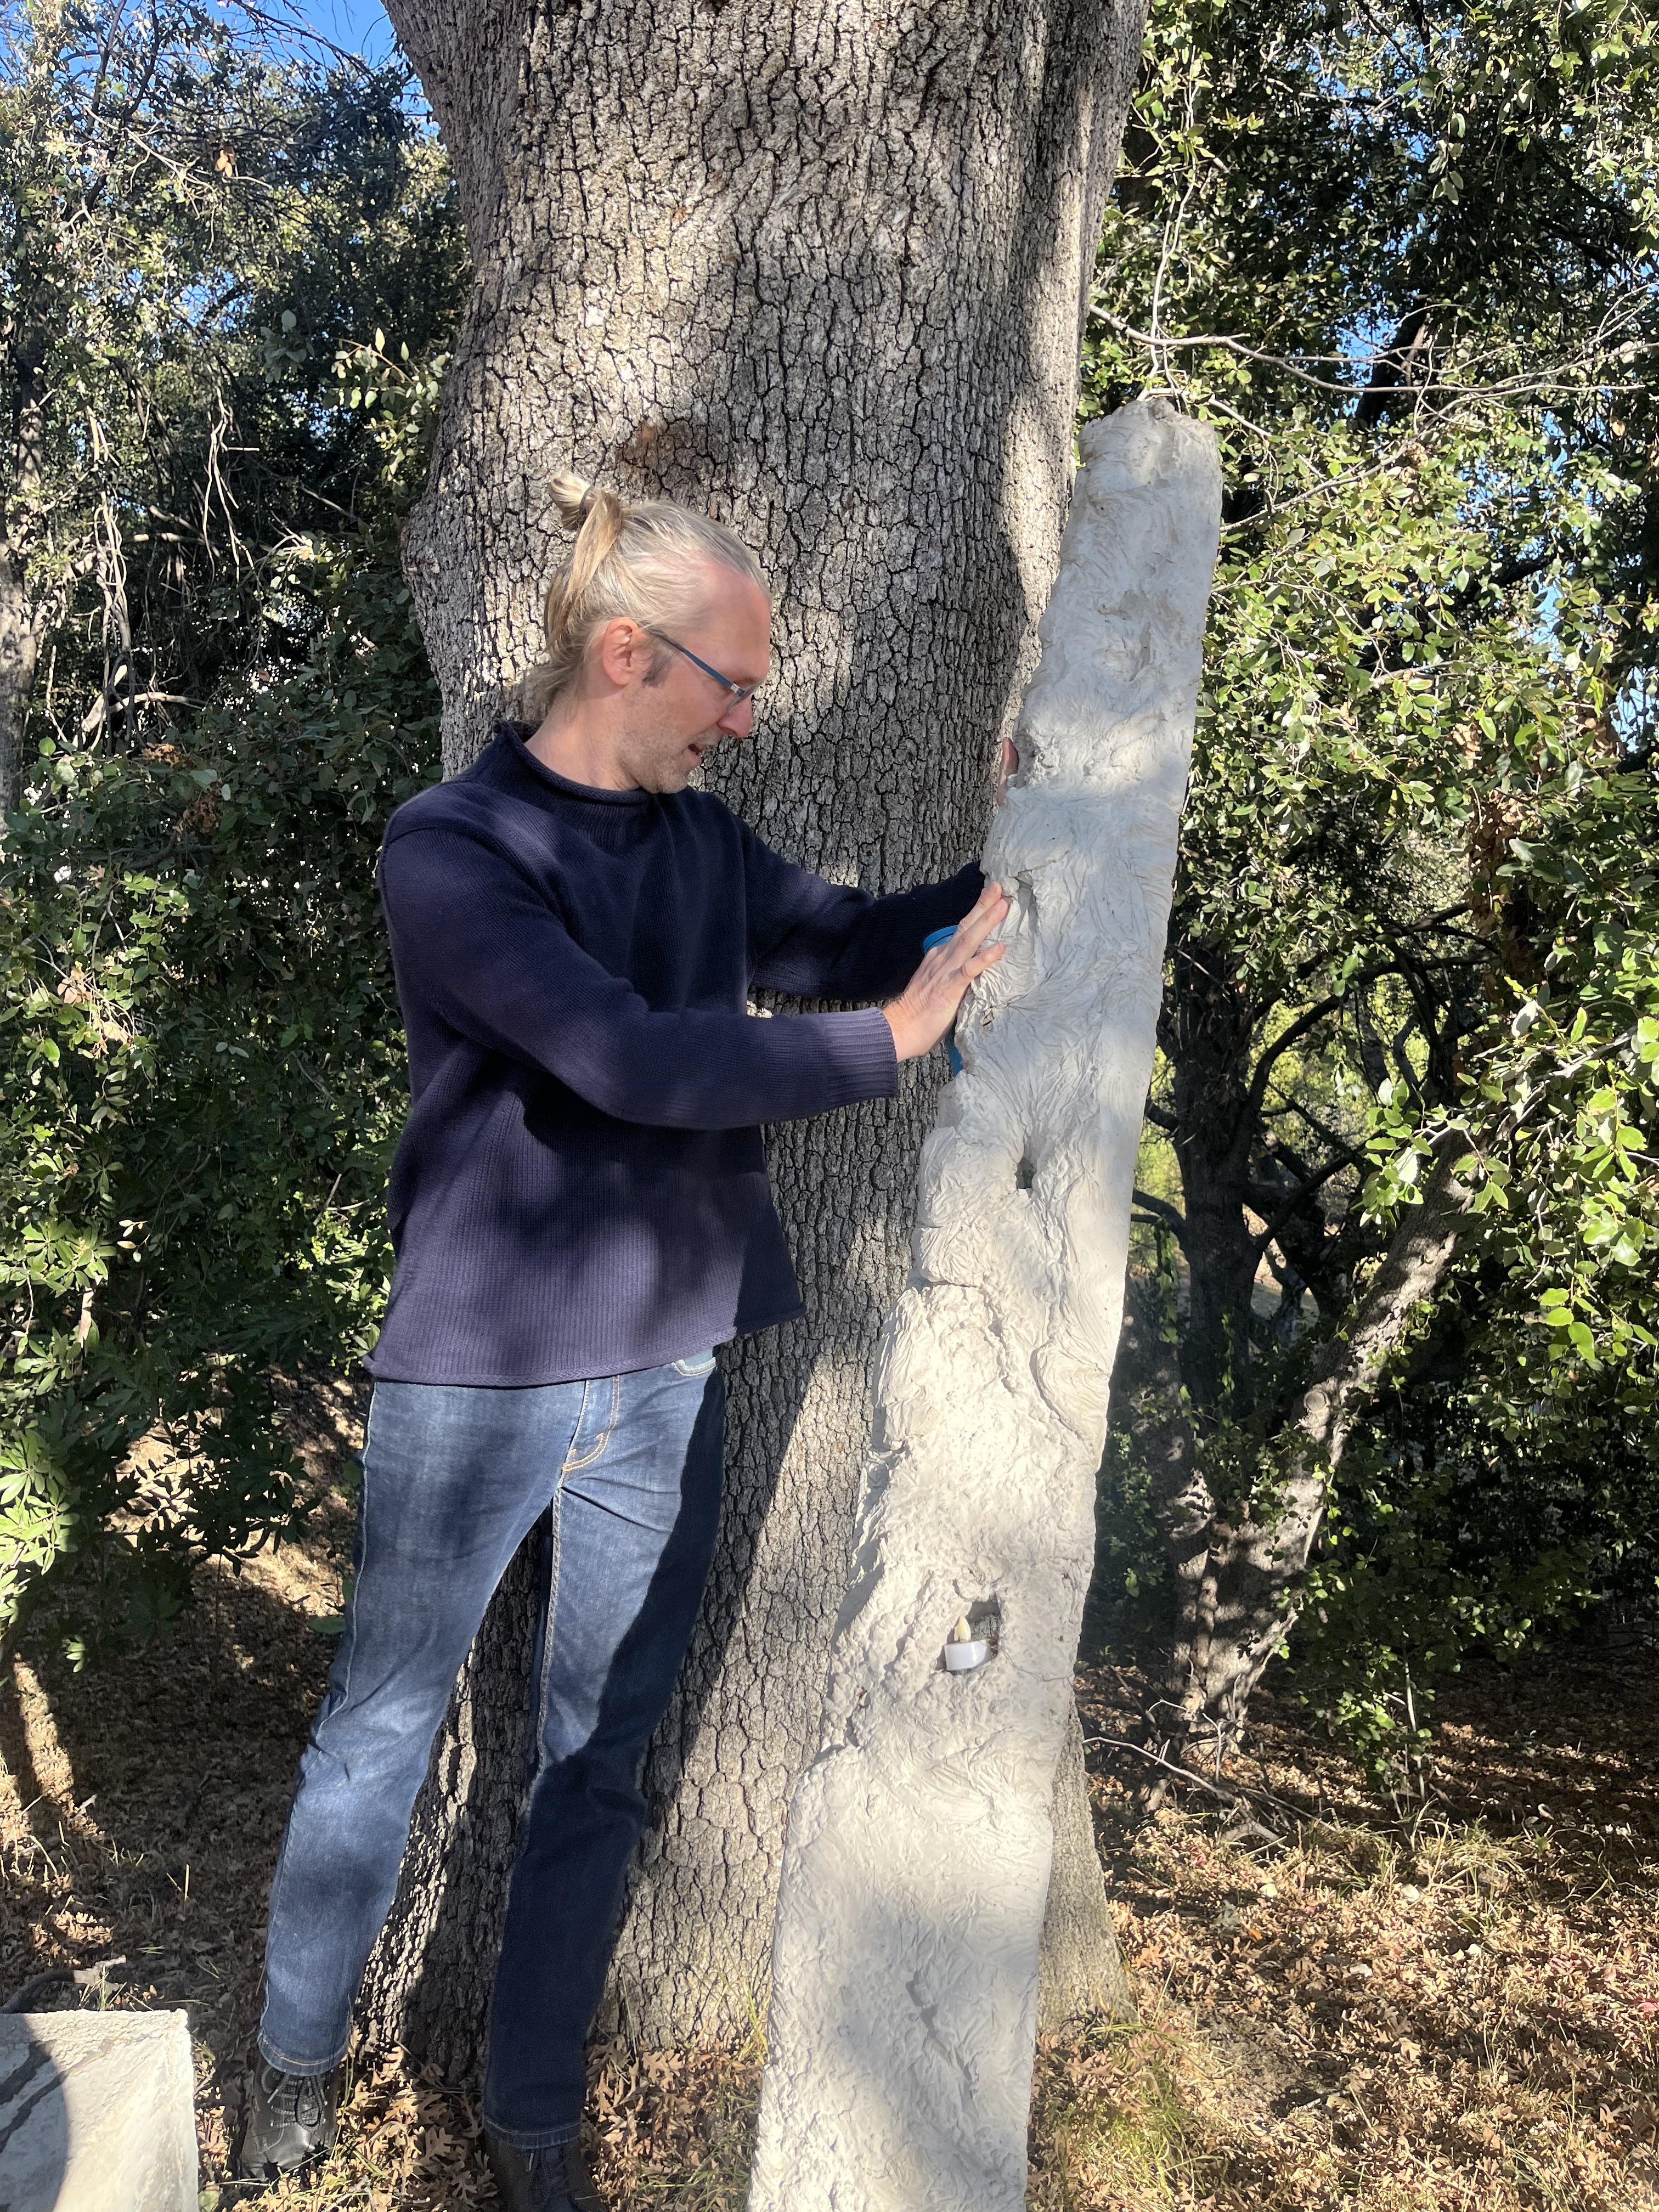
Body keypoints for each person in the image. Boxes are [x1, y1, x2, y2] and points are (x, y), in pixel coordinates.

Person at [237, 476, 1009, 2208]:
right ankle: (291, 2076)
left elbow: (857, 933)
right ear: (620, 652)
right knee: (379, 1739)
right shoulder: (453, 849)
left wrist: (1017, 869)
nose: (745, 719)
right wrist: (889, 1045)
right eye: (727, 686)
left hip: (671, 1367)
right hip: (476, 1373)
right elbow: (629, 1058)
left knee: (598, 1762)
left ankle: (532, 2127)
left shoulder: (704, 845)